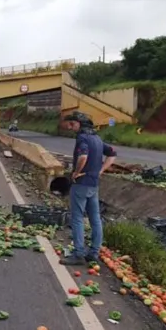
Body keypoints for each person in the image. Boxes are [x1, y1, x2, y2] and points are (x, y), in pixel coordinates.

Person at [59, 112, 117, 265]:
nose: (71, 128)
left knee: (77, 218)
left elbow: (83, 156)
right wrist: (101, 170)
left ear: (80, 124)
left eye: (73, 124)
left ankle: (78, 254)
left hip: (81, 183)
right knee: (95, 219)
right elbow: (112, 152)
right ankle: (94, 253)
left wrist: (76, 173)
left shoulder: (82, 138)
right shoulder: (97, 139)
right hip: (93, 184)